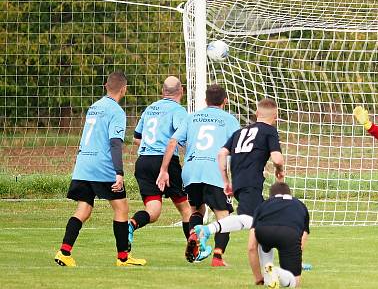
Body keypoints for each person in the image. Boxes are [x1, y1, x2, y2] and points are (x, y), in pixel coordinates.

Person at [54, 71, 146, 267]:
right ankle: (123, 258)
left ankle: (64, 252)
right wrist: (119, 172)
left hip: (83, 164)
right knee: (121, 208)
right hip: (101, 166)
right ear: (124, 89)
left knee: (84, 208)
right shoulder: (116, 112)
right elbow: (114, 143)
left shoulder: (94, 107)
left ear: (106, 85)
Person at [191, 98, 285, 262]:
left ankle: (278, 265)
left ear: (256, 113)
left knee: (264, 221)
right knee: (251, 221)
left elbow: (221, 154)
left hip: (239, 182)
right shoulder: (269, 131)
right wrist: (279, 171)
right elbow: (277, 159)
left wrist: (226, 181)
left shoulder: (240, 132)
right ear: (275, 116)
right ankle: (206, 230)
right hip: (252, 183)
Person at [157, 84, 240, 266]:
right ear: (225, 101)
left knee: (196, 210)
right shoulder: (230, 120)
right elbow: (235, 151)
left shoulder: (191, 117)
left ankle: (194, 234)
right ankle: (218, 257)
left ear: (205, 100)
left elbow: (172, 142)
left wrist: (164, 170)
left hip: (191, 170)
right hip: (214, 171)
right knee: (223, 216)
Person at [128, 76, 193, 244]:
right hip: (165, 162)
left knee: (153, 211)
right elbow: (182, 139)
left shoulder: (150, 108)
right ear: (182, 91)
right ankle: (194, 249)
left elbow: (136, 138)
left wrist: (151, 145)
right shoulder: (179, 111)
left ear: (163, 91)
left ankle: (132, 223)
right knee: (186, 210)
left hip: (143, 162)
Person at [248, 182, 309, 289]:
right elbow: (302, 242)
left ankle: (267, 276)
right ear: (290, 194)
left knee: (263, 244)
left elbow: (251, 247)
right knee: (294, 283)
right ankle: (276, 271)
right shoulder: (300, 205)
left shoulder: (263, 205)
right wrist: (294, 259)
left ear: (271, 196)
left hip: (264, 232)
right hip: (289, 234)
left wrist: (258, 278)